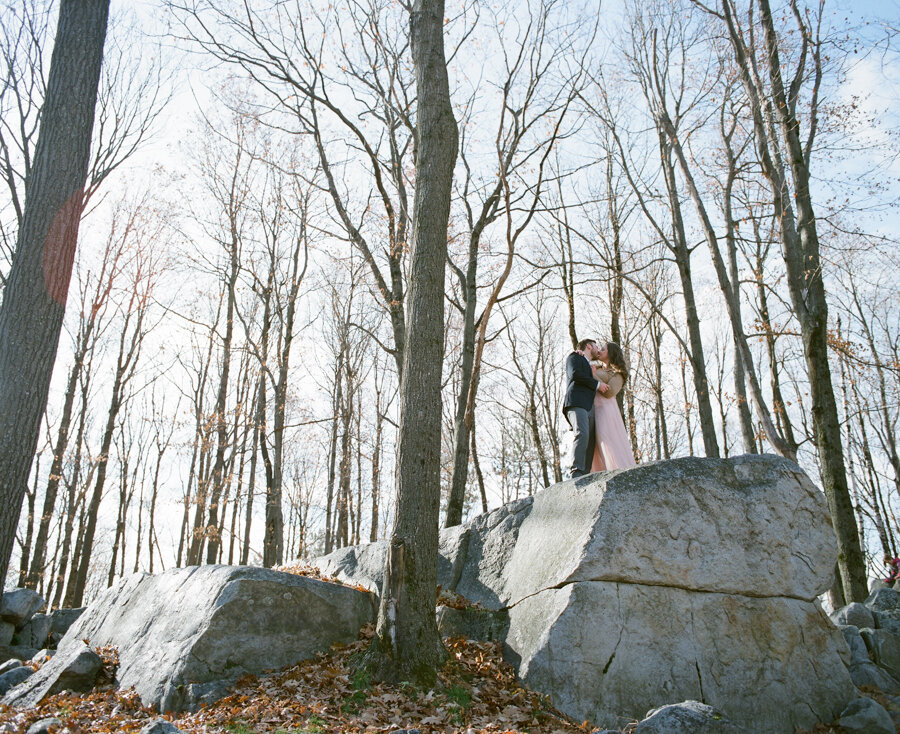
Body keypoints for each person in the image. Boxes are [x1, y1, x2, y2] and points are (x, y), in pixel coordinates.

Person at [590, 341, 637, 471]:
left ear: (610, 353)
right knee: (594, 445)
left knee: (607, 440)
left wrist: (594, 377)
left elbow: (609, 392)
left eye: (603, 349)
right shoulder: (596, 367)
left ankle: (618, 471)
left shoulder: (618, 374)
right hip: (592, 409)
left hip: (606, 411)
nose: (599, 351)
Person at [562, 338, 605, 478]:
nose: (598, 350)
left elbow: (606, 361)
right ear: (588, 346)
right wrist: (597, 385)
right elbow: (575, 374)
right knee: (582, 434)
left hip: (589, 406)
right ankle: (577, 471)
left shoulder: (589, 363)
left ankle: (585, 474)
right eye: (596, 346)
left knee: (591, 441)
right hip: (576, 402)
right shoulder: (574, 357)